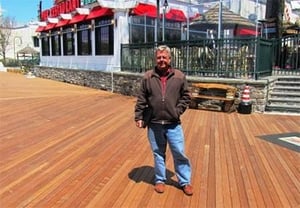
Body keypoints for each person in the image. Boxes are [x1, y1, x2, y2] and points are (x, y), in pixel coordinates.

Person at [134, 45, 193, 196]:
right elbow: (142, 98)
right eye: (159, 57)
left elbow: (186, 96)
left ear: (169, 59)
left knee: (179, 152)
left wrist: (177, 111)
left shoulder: (179, 76)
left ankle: (185, 181)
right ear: (156, 59)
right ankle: (160, 179)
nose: (161, 60)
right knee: (158, 153)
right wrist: (139, 116)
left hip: (173, 124)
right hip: (154, 124)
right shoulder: (148, 76)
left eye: (164, 57)